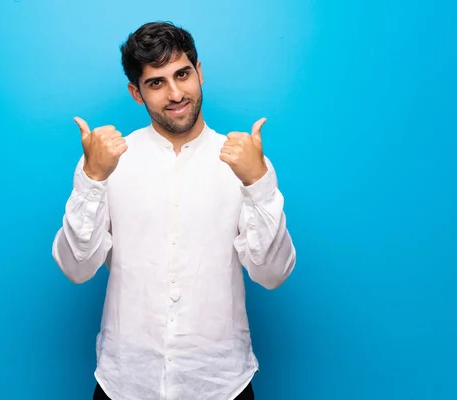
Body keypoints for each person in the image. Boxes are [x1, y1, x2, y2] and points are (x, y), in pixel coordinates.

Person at [52, 21, 296, 400]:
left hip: (220, 385)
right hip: (126, 384)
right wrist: (93, 177)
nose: (176, 93)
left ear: (199, 72)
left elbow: (272, 274)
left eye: (182, 74)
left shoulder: (246, 163)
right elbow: (76, 268)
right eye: (156, 82)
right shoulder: (107, 163)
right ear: (137, 93)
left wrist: (257, 183)